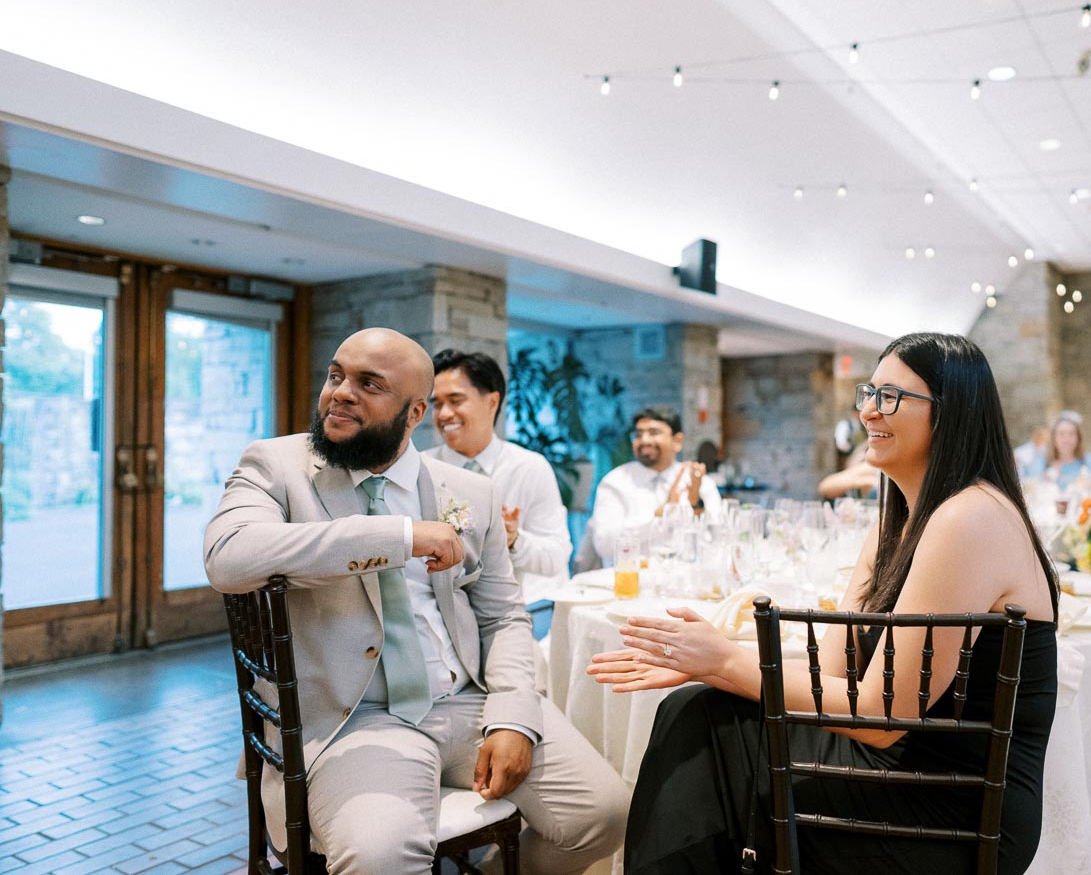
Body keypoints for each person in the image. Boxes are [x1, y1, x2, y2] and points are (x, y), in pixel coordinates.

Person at [588, 333, 1059, 874]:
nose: (866, 410)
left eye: (889, 396)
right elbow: (832, 673)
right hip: (900, 767)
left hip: (954, 804)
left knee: (707, 726)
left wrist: (724, 661)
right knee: (699, 708)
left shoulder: (970, 516)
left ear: (951, 413)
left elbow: (884, 715)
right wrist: (709, 665)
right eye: (868, 392)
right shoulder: (899, 520)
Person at [204, 328, 625, 875]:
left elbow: (503, 615)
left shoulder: (470, 492)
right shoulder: (277, 466)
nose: (340, 393)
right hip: (354, 718)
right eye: (335, 375)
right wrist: (398, 537)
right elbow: (228, 557)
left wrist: (515, 718)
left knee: (605, 815)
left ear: (414, 411)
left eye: (369, 384)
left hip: (468, 701)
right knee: (380, 858)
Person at [423, 348, 571, 604]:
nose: (444, 414)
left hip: (515, 607)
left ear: (492, 402)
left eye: (456, 401)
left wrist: (513, 540)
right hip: (440, 607)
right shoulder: (422, 467)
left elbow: (555, 557)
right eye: (437, 404)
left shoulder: (530, 467)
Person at [589, 408, 721, 566]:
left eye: (654, 432)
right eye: (638, 434)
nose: (644, 440)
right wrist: (661, 513)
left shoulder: (699, 481)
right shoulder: (615, 482)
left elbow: (718, 542)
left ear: (677, 441)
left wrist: (695, 503)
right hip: (631, 582)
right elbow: (604, 546)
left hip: (686, 581)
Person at [1023, 412, 1091, 489]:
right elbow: (1030, 486)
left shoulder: (1088, 460)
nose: (1067, 439)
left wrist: (1089, 484)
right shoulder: (1042, 462)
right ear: (1053, 438)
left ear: (1078, 438)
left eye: (1072, 434)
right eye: (1061, 434)